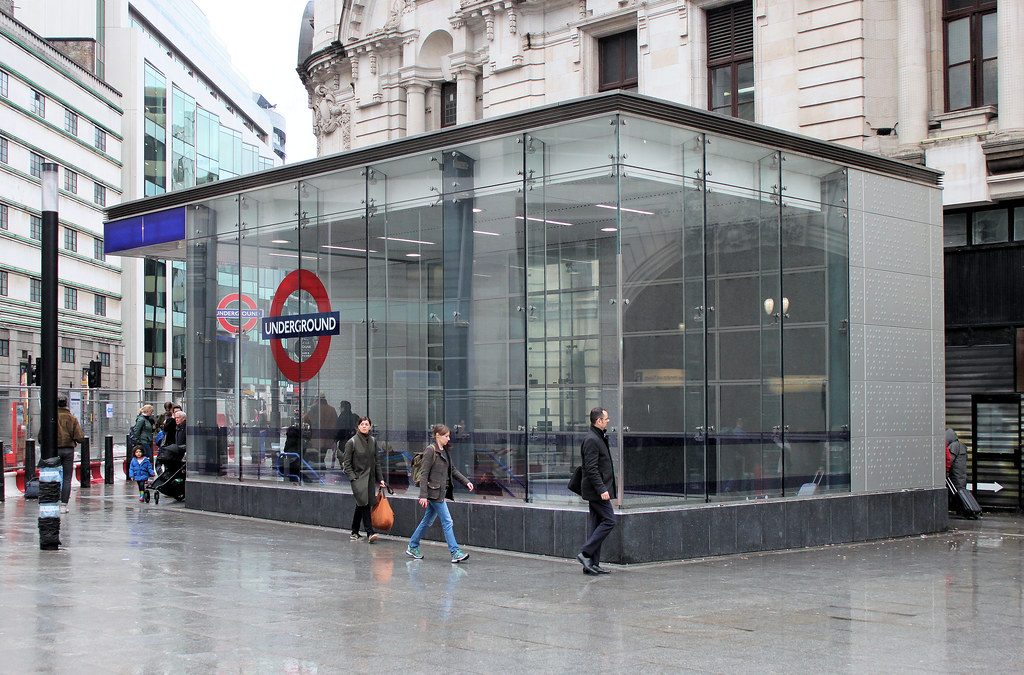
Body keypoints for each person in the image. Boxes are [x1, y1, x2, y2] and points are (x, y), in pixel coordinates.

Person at [406, 424, 474, 563]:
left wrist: (466, 482)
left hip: (439, 492)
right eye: (446, 436)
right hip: (433, 493)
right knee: (447, 521)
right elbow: (424, 474)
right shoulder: (430, 451)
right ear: (437, 436)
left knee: (427, 520)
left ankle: (413, 546)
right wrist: (423, 495)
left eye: (449, 436)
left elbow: (453, 470)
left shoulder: (445, 451)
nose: (448, 439)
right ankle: (455, 552)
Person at [576, 407, 616, 575]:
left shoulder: (598, 436)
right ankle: (585, 553)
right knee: (609, 521)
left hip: (598, 489)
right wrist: (602, 489)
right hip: (597, 491)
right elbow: (591, 469)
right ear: (598, 421)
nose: (608, 421)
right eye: (606, 418)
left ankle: (592, 564)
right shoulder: (592, 439)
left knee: (596, 524)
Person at [343, 416, 386, 542]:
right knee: (365, 504)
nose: (364, 426)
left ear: (370, 427)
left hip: (370, 479)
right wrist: (353, 478)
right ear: (358, 426)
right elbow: (347, 463)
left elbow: (376, 461)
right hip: (358, 479)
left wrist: (381, 479)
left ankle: (354, 531)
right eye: (362, 424)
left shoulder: (373, 441)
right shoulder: (352, 442)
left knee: (361, 504)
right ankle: (370, 532)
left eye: (366, 424)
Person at [54, 395, 85, 513]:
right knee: (67, 478)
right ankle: (63, 505)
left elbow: (42, 436)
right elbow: (79, 437)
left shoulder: (51, 416)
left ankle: (53, 500)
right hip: (68, 450)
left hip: (53, 450)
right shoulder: (71, 418)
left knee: (53, 476)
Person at [302, 395, 337, 468]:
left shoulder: (314, 408)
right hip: (328, 439)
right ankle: (322, 471)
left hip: (316, 437)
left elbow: (305, 419)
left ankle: (319, 472)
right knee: (322, 456)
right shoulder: (332, 410)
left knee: (316, 458)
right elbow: (335, 424)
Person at [332, 400, 357, 469]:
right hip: (354, 443)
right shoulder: (354, 417)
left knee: (343, 462)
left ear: (343, 408)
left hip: (343, 443)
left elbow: (338, 431)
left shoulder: (341, 418)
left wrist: (335, 441)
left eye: (340, 408)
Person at [946, 428, 968, 495]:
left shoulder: (954, 446)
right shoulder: (961, 445)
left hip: (954, 477)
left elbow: (950, 460)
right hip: (961, 475)